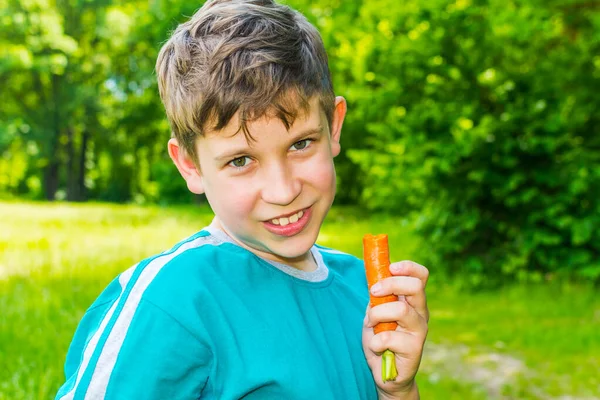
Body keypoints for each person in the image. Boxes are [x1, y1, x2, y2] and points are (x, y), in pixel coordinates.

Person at [55, 0, 429, 399]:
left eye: (301, 143)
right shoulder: (174, 299)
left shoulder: (363, 290)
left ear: (334, 126)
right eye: (241, 161)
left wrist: (397, 390)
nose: (283, 191)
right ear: (191, 166)